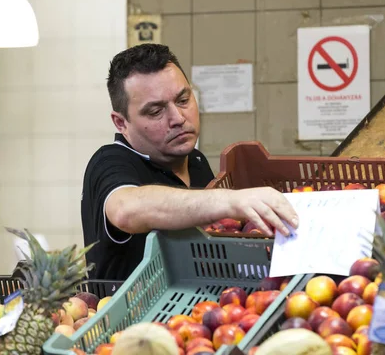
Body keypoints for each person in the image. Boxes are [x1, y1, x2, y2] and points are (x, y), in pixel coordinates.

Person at [81, 44, 299, 280]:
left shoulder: (195, 161)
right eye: (155, 111)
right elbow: (126, 209)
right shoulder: (110, 161)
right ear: (121, 123)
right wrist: (231, 200)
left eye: (183, 100)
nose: (178, 118)